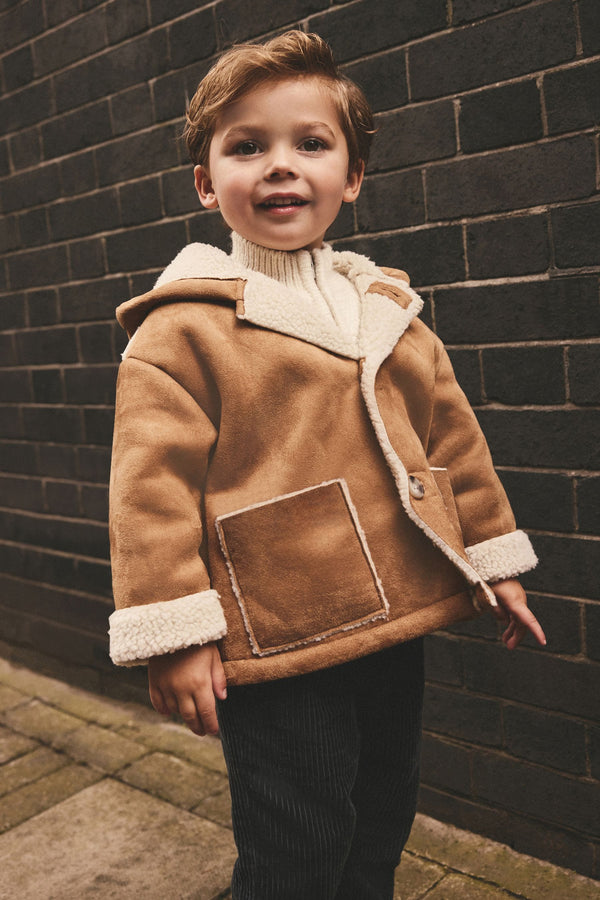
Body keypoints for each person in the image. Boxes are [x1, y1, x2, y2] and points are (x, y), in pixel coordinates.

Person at [108, 30, 546, 899]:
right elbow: (149, 490)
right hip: (277, 634)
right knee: (298, 840)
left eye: (310, 143)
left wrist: (494, 562)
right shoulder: (182, 330)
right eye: (247, 147)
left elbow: (452, 443)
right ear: (207, 184)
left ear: (350, 179)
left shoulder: (387, 310)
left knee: (381, 813)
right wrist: (176, 633)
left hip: (397, 612)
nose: (280, 166)